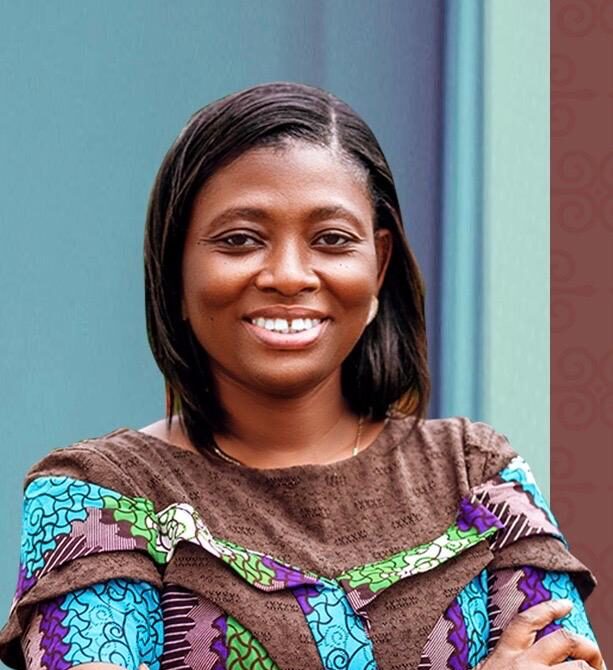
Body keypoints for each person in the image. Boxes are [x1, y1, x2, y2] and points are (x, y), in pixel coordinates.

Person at [0, 82, 605, 670]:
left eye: (331, 240)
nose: (289, 275)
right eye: (240, 240)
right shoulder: (99, 499)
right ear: (176, 269)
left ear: (378, 265)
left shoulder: (478, 479)